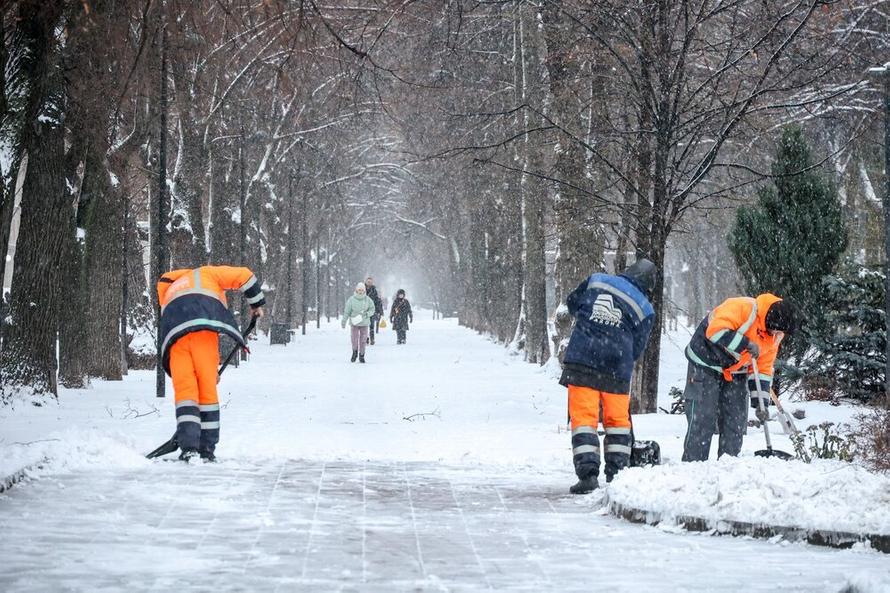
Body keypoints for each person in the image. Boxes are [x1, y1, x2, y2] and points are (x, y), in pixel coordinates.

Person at [560, 259, 657, 494]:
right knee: (618, 423)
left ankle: (588, 476)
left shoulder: (597, 280)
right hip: (616, 368)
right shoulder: (645, 307)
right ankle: (618, 475)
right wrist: (619, 355)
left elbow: (572, 303)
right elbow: (638, 347)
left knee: (584, 420)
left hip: (582, 361)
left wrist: (590, 323)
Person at [157, 265, 265, 462]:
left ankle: (188, 446)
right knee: (207, 390)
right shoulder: (207, 273)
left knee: (186, 393)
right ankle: (206, 449)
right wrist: (256, 304)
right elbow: (245, 275)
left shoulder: (167, 287)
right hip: (202, 333)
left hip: (175, 338)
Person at [681, 294, 796, 462]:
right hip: (705, 361)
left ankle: (729, 464)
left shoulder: (775, 335)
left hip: (736, 370)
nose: (778, 335)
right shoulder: (743, 308)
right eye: (777, 330)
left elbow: (762, 369)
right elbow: (715, 331)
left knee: (735, 421)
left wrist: (760, 404)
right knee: (703, 418)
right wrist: (745, 344)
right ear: (770, 322)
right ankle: (694, 465)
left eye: (781, 332)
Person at [341, 282, 376, 363]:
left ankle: (362, 355)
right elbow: (347, 311)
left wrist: (368, 314)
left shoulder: (368, 300)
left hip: (364, 322)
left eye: (362, 290)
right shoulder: (351, 299)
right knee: (354, 339)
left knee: (363, 340)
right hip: (354, 322)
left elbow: (372, 309)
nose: (360, 291)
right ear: (356, 290)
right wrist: (344, 321)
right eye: (359, 290)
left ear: (364, 291)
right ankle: (355, 352)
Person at [365, 276, 384, 345]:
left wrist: (379, 310)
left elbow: (377, 301)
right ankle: (366, 339)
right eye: (368, 281)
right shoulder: (362, 289)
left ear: (372, 283)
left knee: (371, 325)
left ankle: (372, 339)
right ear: (366, 282)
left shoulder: (374, 290)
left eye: (370, 282)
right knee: (365, 326)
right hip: (364, 311)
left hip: (372, 310)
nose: (369, 283)